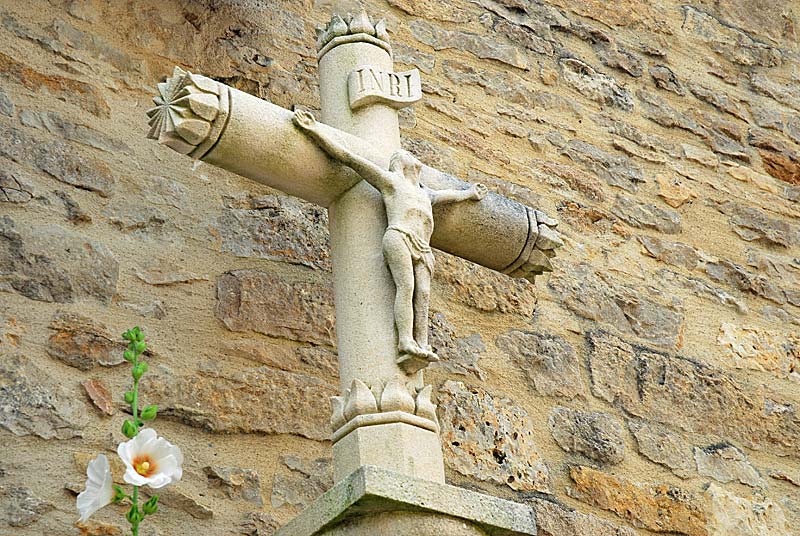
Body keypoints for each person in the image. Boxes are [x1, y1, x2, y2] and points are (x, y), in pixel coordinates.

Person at [293, 109, 487, 367]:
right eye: (410, 159)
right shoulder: (392, 183)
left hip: (423, 247)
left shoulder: (426, 193)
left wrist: (470, 193)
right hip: (401, 237)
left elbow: (452, 196)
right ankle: (405, 340)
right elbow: (350, 158)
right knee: (406, 287)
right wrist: (314, 130)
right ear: (401, 164)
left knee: (424, 294)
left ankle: (422, 341)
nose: (417, 163)